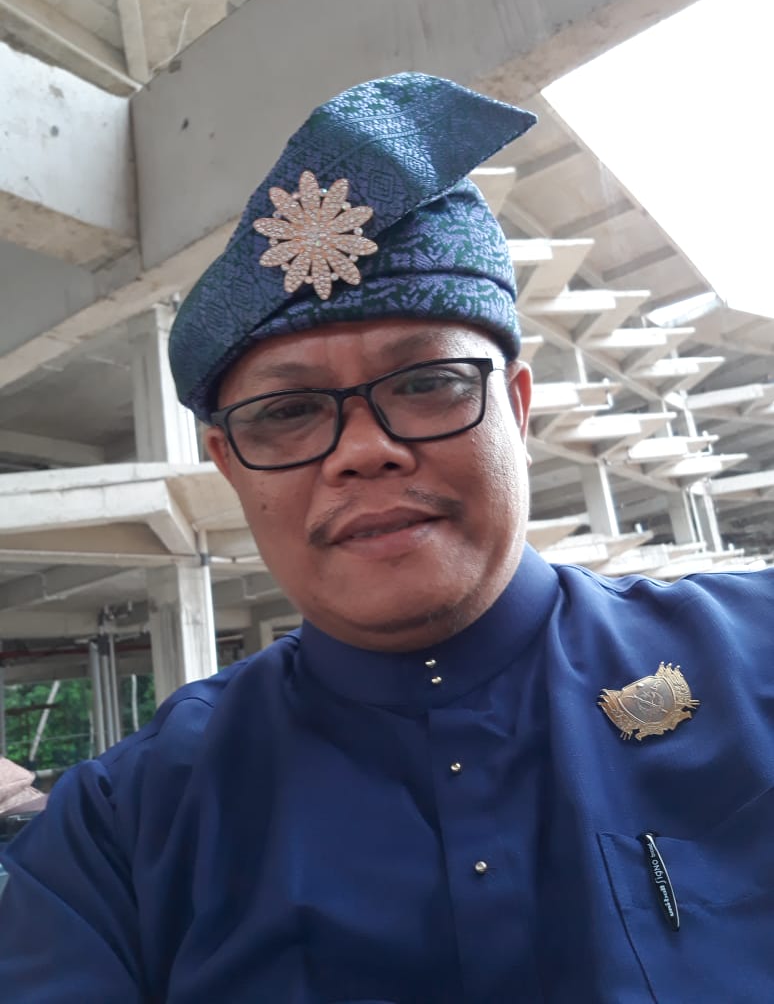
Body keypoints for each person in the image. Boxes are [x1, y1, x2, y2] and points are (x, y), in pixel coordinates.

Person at [0, 72, 772, 1003]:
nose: (365, 450)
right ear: (229, 464)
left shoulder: (756, 662)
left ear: (517, 409)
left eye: (426, 384)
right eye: (287, 411)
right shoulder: (124, 832)